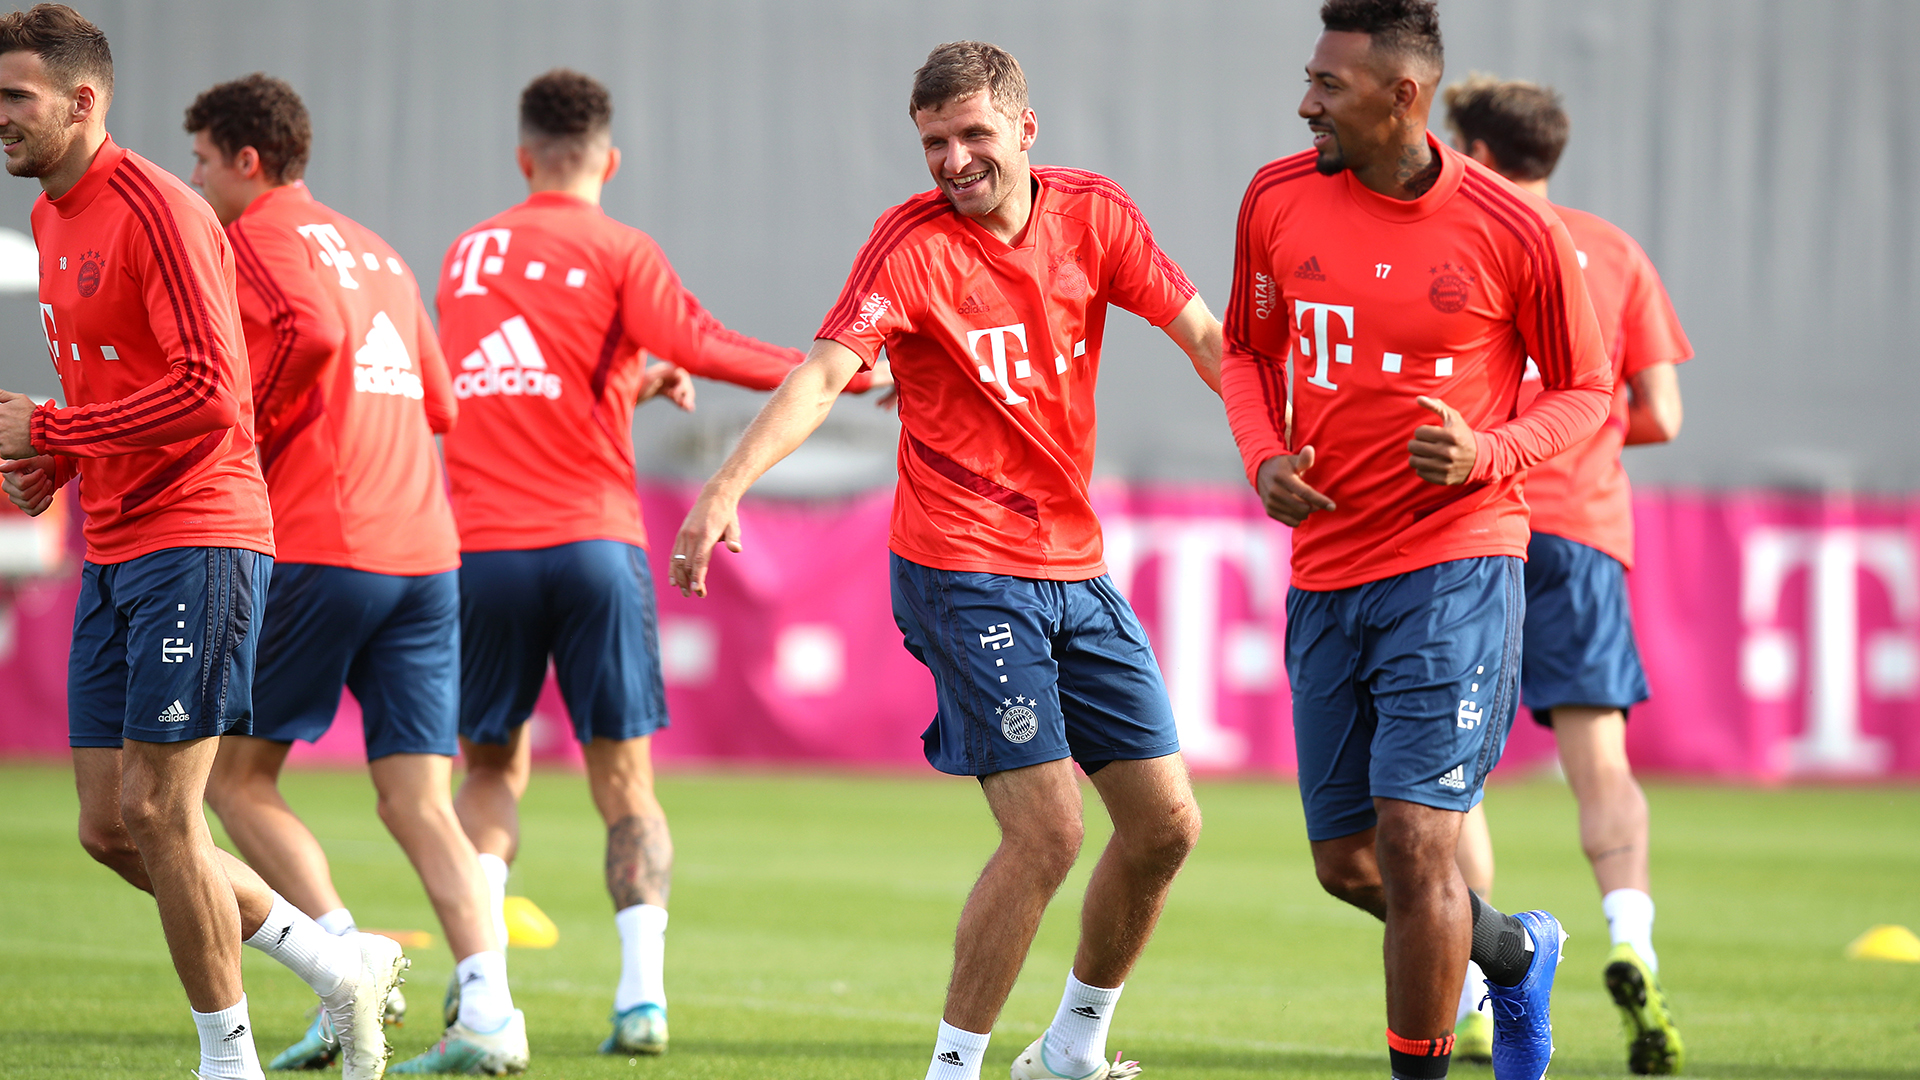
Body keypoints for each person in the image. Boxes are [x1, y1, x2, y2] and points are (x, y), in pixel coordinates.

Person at [672, 40, 1217, 1080]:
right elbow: (825, 376)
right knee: (1050, 831)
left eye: (973, 135)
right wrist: (725, 485)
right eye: (934, 142)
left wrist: (1279, 437)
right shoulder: (909, 247)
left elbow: (1202, 335)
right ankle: (953, 1071)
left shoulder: (1095, 214)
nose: (954, 160)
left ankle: (1071, 1048)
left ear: (1025, 128)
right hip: (963, 570)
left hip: (1074, 566)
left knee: (1165, 829)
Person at [0, 8, 402, 1080]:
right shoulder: (50, 219)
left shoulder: (161, 209)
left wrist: (49, 428)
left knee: (162, 811)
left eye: (15, 99)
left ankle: (229, 1064)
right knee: (107, 827)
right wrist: (66, 460)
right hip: (117, 542)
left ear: (84, 102)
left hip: (201, 534)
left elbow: (210, 393)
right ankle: (337, 966)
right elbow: (122, 378)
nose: (0, 119)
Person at [1218, 1, 1618, 1078]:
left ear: (1403, 97)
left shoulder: (1513, 228)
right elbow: (1248, 354)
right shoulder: (1276, 195)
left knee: (1416, 840)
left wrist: (1490, 455)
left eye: (1329, 87)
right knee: (1347, 864)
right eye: (1309, 78)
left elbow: (1588, 390)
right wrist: (1263, 455)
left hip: (1458, 559)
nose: (1306, 101)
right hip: (1327, 567)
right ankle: (1515, 950)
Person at [432, 68, 856, 1063]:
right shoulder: (620, 248)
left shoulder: (465, 254)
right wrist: (827, 370)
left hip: (487, 545)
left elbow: (495, 388)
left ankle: (484, 992)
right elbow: (694, 342)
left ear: (522, 156)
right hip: (593, 541)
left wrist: (624, 376)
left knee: (490, 767)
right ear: (609, 161)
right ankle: (640, 1001)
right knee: (625, 785)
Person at [182, 74, 526, 1075]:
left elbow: (309, 339)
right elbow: (444, 405)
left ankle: (346, 969)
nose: (194, 178)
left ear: (247, 161)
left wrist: (260, 422)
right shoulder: (377, 248)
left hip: (324, 541)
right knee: (420, 800)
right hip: (426, 550)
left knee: (237, 783)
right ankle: (492, 1014)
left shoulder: (248, 240)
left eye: (200, 159)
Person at [1442, 73, 1690, 1075]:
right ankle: (1633, 941)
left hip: (1478, 527)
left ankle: (1470, 990)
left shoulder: (1467, 239)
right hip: (1585, 531)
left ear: (1486, 157)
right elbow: (1662, 414)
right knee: (1602, 767)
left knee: (1454, 776)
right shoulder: (1620, 252)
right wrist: (1581, 433)